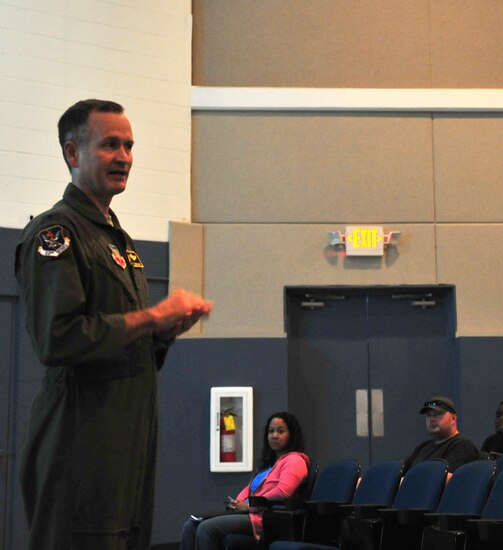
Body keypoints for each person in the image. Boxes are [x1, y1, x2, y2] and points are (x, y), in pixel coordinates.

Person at [16, 99, 213, 550]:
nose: (124, 157)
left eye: (129, 146)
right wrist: (151, 316)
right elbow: (57, 339)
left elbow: (123, 346)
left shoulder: (118, 240)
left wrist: (161, 333)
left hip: (126, 444)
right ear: (73, 153)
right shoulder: (58, 233)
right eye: (110, 145)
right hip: (80, 445)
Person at [181, 412, 309, 550]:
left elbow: (283, 492)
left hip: (265, 517)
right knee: (191, 525)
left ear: (292, 435)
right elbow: (250, 489)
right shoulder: (269, 465)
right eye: (271, 431)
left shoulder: (295, 460)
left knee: (206, 529)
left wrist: (249, 505)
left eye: (281, 431)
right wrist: (238, 502)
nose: (274, 436)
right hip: (249, 512)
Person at [404, 396, 479, 472]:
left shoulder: (462, 445)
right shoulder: (423, 447)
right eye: (428, 415)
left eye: (438, 414)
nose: (432, 419)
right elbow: (401, 473)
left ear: (453, 418)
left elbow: (448, 477)